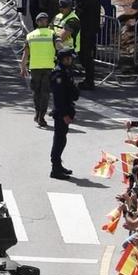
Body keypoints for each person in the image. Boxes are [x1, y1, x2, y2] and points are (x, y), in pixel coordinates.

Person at [21, 11, 57, 126]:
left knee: (36, 92)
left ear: (37, 22)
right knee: (45, 93)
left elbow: (25, 54)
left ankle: (37, 113)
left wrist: (23, 67)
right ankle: (41, 115)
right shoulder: (52, 34)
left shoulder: (30, 35)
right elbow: (60, 48)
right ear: (46, 22)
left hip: (35, 68)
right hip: (48, 67)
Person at [49, 46, 79, 177]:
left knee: (62, 140)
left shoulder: (66, 71)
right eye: (69, 58)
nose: (71, 60)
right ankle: (55, 169)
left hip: (67, 109)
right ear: (64, 59)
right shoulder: (59, 74)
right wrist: (64, 115)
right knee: (59, 140)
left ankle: (59, 166)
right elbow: (59, 98)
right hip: (62, 112)